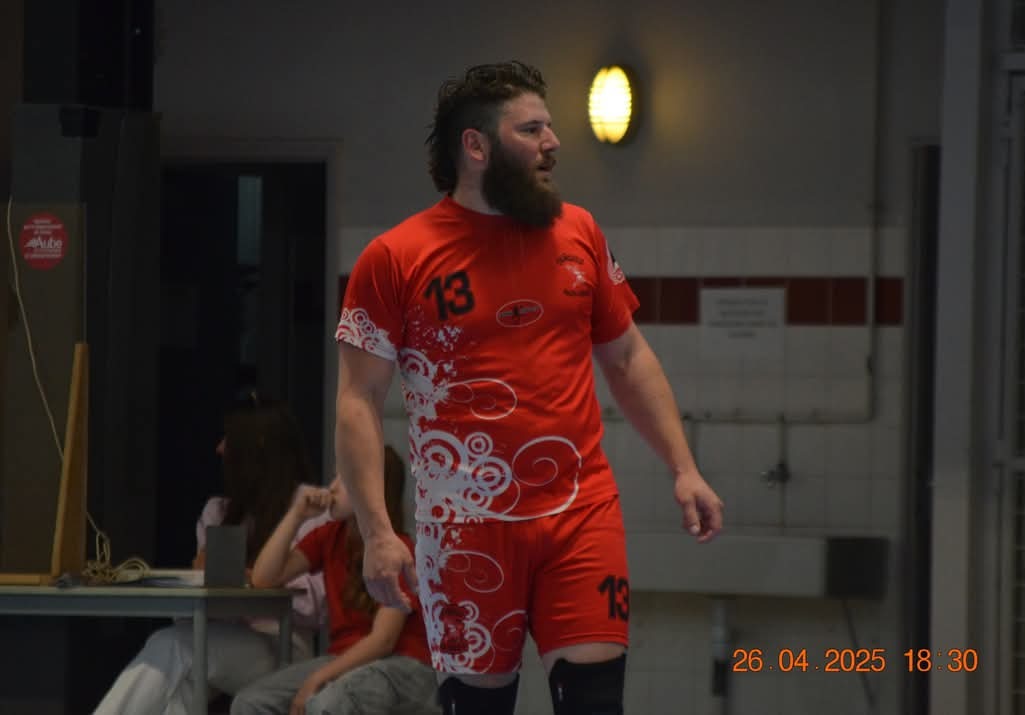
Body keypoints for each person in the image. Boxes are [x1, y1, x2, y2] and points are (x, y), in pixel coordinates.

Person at [334, 60, 725, 715]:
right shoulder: (396, 257)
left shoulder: (579, 232)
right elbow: (358, 400)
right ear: (476, 146)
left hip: (580, 511)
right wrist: (376, 530)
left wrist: (683, 467)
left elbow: (628, 357)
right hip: (465, 528)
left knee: (595, 702)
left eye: (550, 127)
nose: (553, 142)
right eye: (532, 129)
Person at [94, 396, 328, 715]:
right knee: (178, 688)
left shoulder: (307, 509)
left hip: (282, 643)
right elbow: (193, 616)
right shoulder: (218, 512)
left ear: (256, 447)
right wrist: (203, 580)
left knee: (173, 646)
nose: (219, 448)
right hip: (217, 636)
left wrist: (251, 579)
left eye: (229, 439)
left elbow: (318, 605)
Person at [229, 445, 438, 715]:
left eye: (344, 479)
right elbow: (263, 578)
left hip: (402, 664)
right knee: (250, 702)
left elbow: (384, 640)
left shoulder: (398, 549)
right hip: (344, 658)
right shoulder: (330, 535)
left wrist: (318, 679)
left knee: (326, 704)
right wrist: (296, 515)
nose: (332, 487)